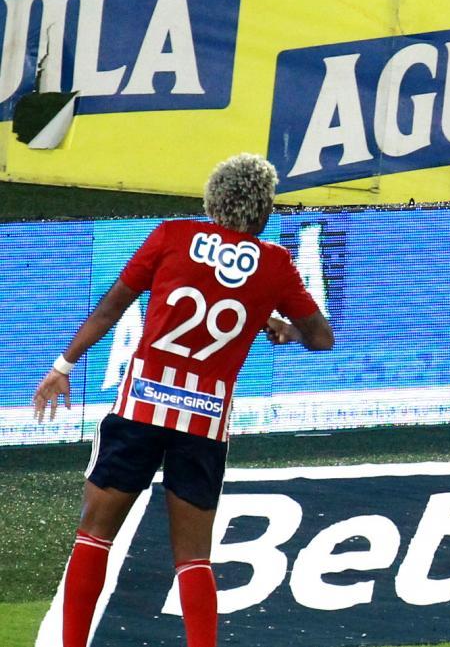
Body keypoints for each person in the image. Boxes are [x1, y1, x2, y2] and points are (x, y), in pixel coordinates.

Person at [32, 154, 334, 647]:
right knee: (193, 557)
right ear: (262, 212)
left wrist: (63, 366)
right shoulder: (275, 264)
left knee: (94, 534)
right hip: (205, 421)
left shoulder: (171, 236)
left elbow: (113, 306)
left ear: (212, 201)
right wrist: (279, 327)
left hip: (141, 406)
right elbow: (321, 338)